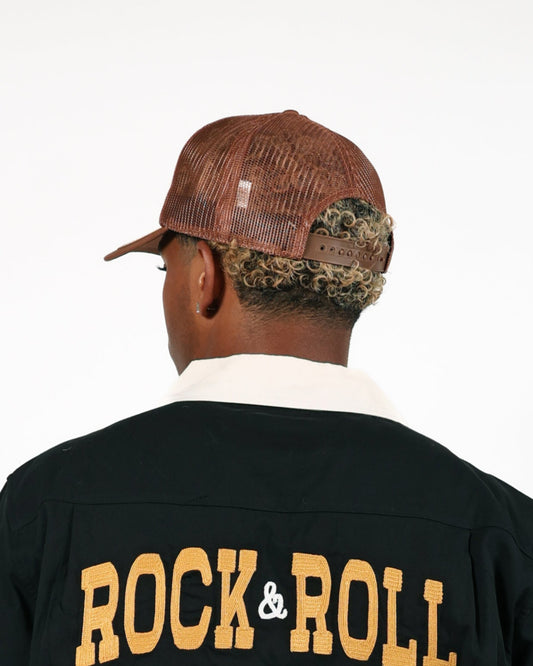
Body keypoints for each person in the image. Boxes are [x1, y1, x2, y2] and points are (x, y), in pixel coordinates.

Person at [1, 109, 532, 665]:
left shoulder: (45, 510)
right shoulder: (502, 539)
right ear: (354, 289)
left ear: (205, 278)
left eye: (166, 268)